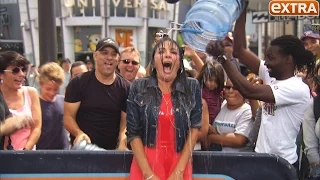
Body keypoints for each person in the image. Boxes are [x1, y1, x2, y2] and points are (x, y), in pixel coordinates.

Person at [205, 4, 315, 168]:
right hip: (261, 158)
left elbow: (247, 90)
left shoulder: (297, 89)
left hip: (281, 165)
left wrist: (221, 59)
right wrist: (242, 9)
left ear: (288, 59)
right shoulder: (271, 75)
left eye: (271, 58)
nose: (266, 63)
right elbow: (240, 51)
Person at [126, 37, 202, 180]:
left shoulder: (192, 87)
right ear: (154, 60)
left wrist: (179, 171)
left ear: (179, 61)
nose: (167, 55)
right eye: (161, 51)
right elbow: (132, 132)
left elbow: (194, 129)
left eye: (173, 52)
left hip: (180, 161)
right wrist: (148, 174)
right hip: (145, 163)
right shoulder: (138, 87)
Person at [64, 37, 131, 150]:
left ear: (118, 59)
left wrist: (122, 143)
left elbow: (125, 123)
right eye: (104, 53)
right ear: (95, 55)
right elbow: (68, 117)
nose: (109, 57)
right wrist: (79, 133)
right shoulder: (78, 83)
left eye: (113, 54)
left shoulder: (126, 88)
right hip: (84, 151)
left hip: (112, 154)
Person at [0, 51, 42, 150]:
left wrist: (25, 151)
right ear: (1, 74)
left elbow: (36, 128)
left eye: (23, 70)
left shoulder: (31, 93)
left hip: (27, 158)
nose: (22, 74)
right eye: (15, 70)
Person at [208, 79, 253, 152]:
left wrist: (210, 138)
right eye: (228, 87)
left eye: (236, 88)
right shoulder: (223, 104)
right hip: (217, 158)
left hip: (237, 160)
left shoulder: (247, 111)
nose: (230, 91)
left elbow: (239, 140)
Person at [36, 62, 69, 150]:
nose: (52, 93)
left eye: (56, 89)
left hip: (64, 151)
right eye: (48, 89)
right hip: (42, 153)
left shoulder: (63, 100)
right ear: (40, 84)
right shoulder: (35, 103)